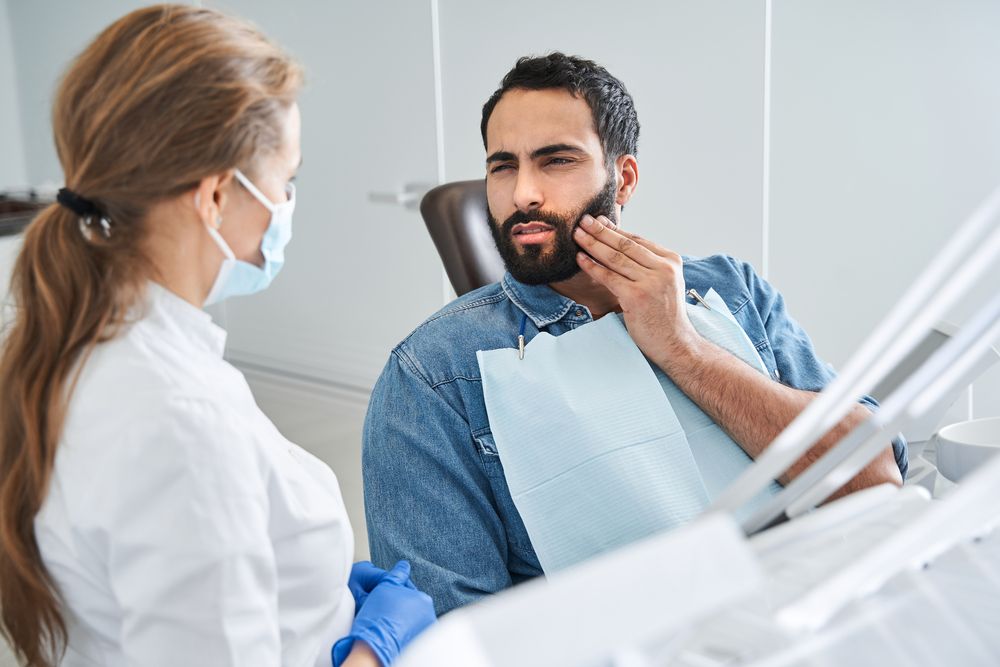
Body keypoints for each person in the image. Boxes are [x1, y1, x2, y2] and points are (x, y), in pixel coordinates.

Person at [363, 52, 908, 615]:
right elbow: (449, 634)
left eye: (556, 161)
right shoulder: (432, 376)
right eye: (503, 166)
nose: (523, 192)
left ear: (622, 179)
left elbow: (873, 480)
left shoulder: (732, 291)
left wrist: (685, 351)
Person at [0, 6, 433, 667]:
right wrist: (372, 651)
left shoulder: (78, 347)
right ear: (213, 197)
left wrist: (313, 595)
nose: (287, 204)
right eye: (284, 181)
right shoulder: (181, 424)